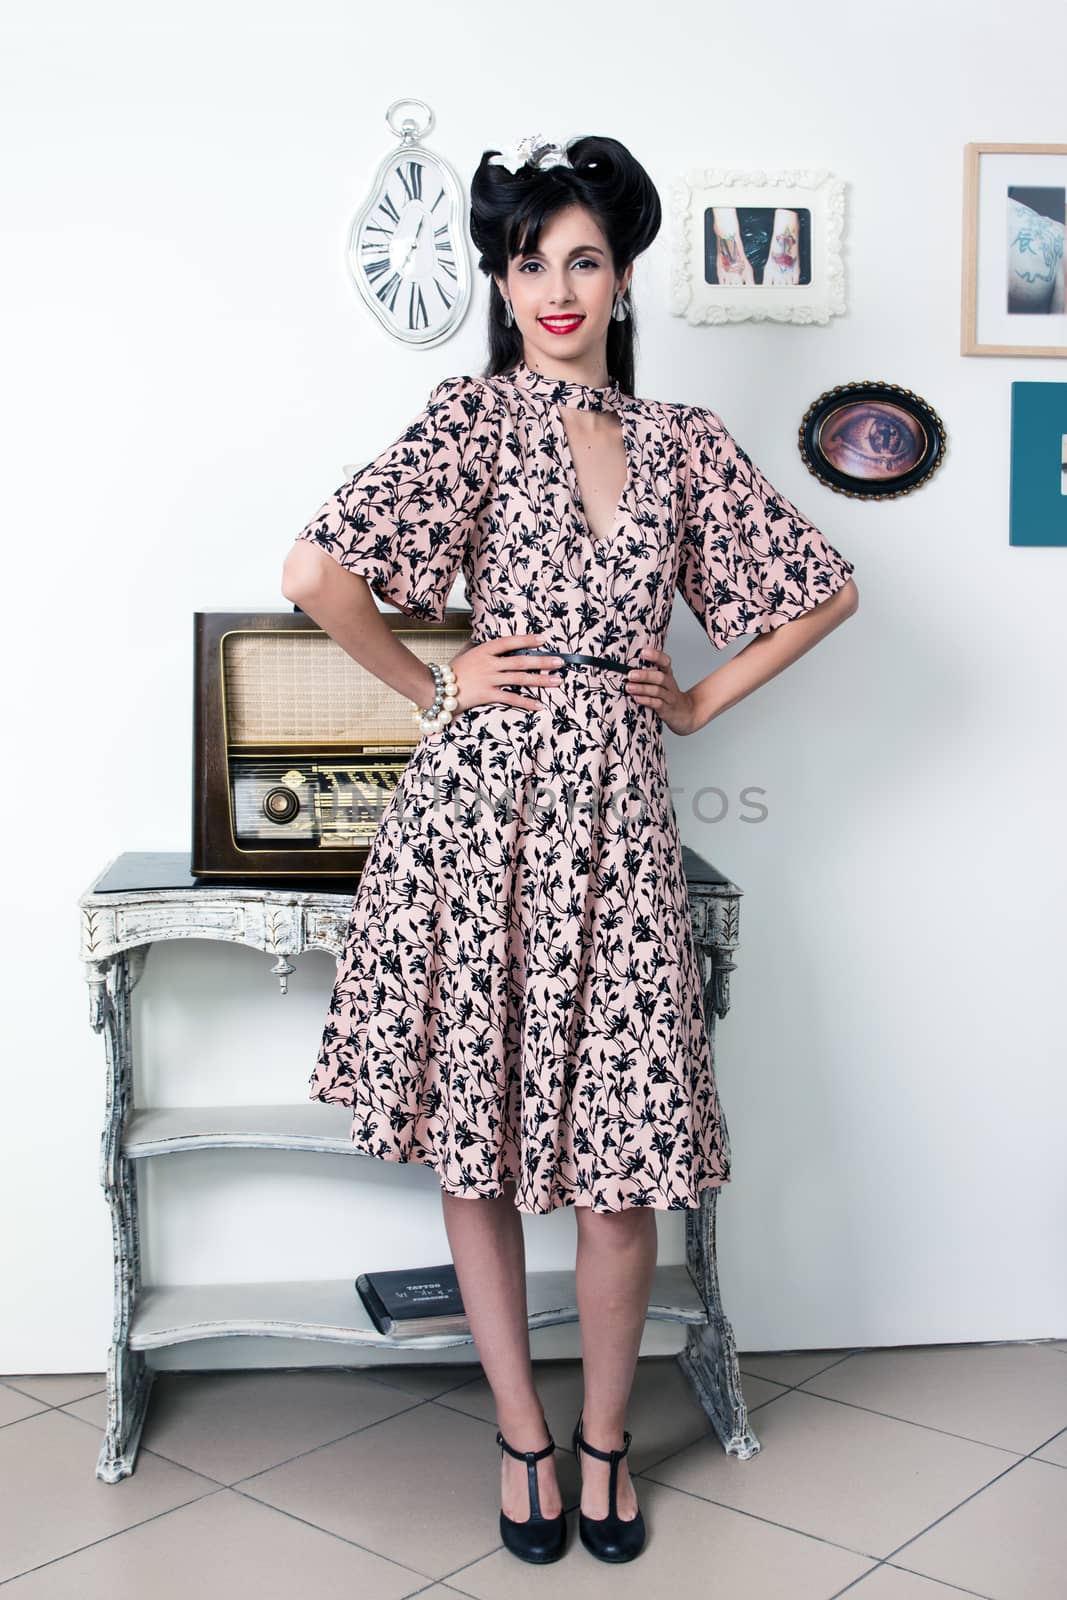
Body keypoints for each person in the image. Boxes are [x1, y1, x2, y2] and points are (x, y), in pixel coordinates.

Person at [281, 131, 859, 1568]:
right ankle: (522, 1437)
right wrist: (435, 685)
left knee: (622, 1168)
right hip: (478, 822)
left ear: (621, 277)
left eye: (583, 258)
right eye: (530, 260)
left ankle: (606, 1445)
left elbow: (820, 588)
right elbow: (313, 573)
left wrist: (700, 699)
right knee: (473, 1154)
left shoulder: (686, 447)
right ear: (500, 276)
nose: (556, 286)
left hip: (621, 829)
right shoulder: (471, 423)